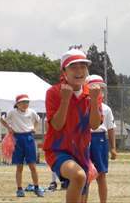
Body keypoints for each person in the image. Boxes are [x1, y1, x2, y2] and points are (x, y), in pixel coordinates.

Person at [43, 48, 102, 203]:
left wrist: (95, 101)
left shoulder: (93, 93)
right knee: (78, 175)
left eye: (83, 66)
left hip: (82, 151)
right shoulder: (54, 92)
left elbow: (94, 125)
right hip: (57, 149)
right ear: (64, 71)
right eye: (73, 67)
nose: (79, 71)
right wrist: (65, 100)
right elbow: (56, 125)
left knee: (83, 194)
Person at [0, 94, 44, 197]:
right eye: (23, 102)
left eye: (27, 102)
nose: (25, 104)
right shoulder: (12, 112)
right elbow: (2, 119)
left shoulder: (32, 112)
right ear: (17, 104)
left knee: (32, 165)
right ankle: (19, 189)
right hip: (17, 139)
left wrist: (34, 127)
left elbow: (38, 119)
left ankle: (37, 188)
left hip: (29, 138)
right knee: (19, 166)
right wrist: (9, 128)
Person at [86, 74, 117, 203]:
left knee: (101, 175)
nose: (99, 91)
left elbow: (111, 128)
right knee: (84, 175)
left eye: (101, 89)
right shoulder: (82, 106)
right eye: (94, 88)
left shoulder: (106, 109)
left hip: (100, 140)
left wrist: (113, 148)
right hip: (84, 139)